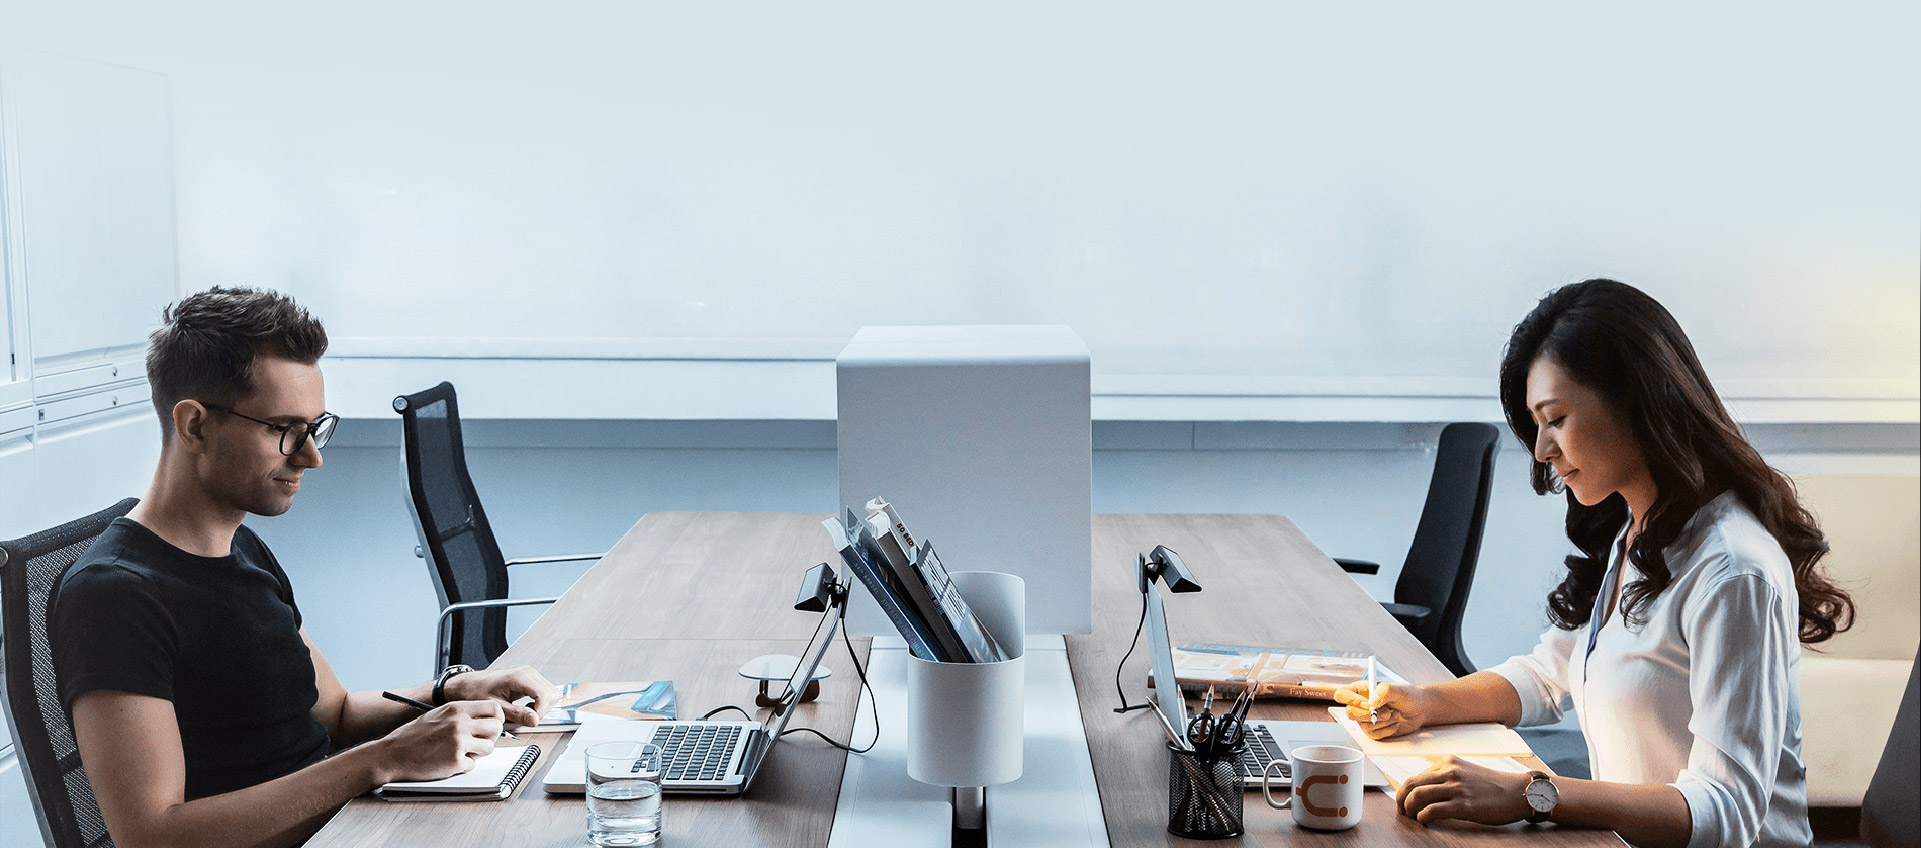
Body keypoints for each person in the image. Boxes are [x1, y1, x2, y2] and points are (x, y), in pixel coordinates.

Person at [1333, 279, 1853, 848]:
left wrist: (1533, 794)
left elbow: (1724, 811)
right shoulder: (1638, 527)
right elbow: (1551, 674)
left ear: (1637, 401)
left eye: (1555, 419)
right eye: (1536, 425)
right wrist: (1427, 703)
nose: (1541, 450)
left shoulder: (1733, 570)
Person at [51, 287, 561, 848]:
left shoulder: (242, 549)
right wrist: (383, 760)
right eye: (284, 430)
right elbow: (152, 835)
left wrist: (452, 691)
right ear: (195, 426)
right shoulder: (114, 596)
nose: (312, 456)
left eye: (316, 428)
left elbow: (335, 714)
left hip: (354, 828)